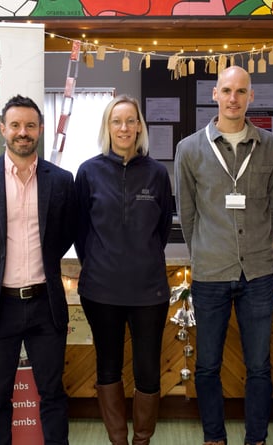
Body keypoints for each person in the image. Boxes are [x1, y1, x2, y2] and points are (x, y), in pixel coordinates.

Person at [0, 94, 77, 445]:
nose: (23, 132)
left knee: (53, 394)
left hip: (45, 306)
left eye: (30, 125)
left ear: (40, 130)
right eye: (16, 125)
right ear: (2, 129)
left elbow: (67, 232)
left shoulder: (60, 180)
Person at [174, 65, 273, 445]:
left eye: (241, 91)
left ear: (251, 96)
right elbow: (187, 215)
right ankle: (214, 438)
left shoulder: (271, 146)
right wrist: (205, 250)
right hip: (210, 275)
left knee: (258, 368)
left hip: (257, 273)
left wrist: (255, 244)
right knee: (207, 367)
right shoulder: (189, 149)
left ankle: (256, 438)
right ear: (215, 95)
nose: (233, 98)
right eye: (227, 90)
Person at [74, 95, 172, 445]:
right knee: (108, 367)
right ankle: (118, 440)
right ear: (107, 126)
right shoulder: (88, 172)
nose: (124, 128)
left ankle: (141, 440)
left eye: (131, 121)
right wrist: (100, 264)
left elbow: (161, 230)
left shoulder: (158, 174)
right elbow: (80, 230)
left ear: (140, 127)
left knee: (147, 371)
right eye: (117, 121)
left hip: (149, 292)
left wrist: (139, 259)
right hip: (101, 291)